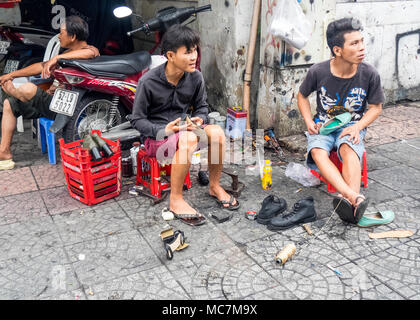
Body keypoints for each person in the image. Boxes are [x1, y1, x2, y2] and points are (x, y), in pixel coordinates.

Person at [130, 24, 240, 226]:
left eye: (195, 50)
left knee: (217, 132)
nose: (194, 56)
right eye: (187, 52)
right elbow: (137, 120)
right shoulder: (148, 82)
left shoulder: (195, 77)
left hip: (184, 131)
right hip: (157, 138)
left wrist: (199, 119)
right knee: (188, 138)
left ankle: (214, 186)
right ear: (170, 55)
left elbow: (202, 108)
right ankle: (176, 199)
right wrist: (163, 130)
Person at [297, 17, 384, 223]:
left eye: (362, 41)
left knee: (349, 149)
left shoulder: (369, 73)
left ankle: (349, 201)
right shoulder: (318, 71)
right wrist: (309, 120)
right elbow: (301, 96)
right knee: (318, 151)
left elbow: (376, 108)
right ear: (337, 50)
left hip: (352, 125)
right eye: (354, 43)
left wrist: (358, 126)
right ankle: (354, 197)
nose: (362, 47)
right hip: (324, 126)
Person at [0, 15, 99, 170]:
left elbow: (91, 52)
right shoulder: (66, 53)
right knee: (9, 104)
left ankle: (18, 93)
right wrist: (12, 75)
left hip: (66, 109)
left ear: (72, 37)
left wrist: (57, 58)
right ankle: (4, 152)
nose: (59, 36)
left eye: (62, 32)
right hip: (50, 102)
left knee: (28, 89)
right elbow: (40, 66)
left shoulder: (88, 52)